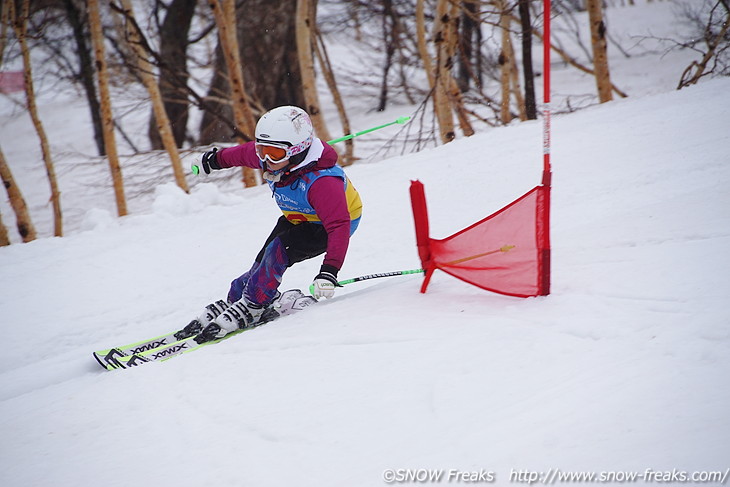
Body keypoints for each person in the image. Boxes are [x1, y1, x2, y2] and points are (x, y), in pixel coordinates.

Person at [192, 106, 362, 341]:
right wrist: (212, 161)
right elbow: (241, 154)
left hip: (329, 225)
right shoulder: (271, 159)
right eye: (263, 150)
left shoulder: (323, 182)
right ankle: (239, 299)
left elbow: (338, 226)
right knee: (263, 258)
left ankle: (254, 305)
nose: (266, 160)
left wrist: (329, 272)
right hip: (299, 216)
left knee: (279, 250)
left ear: (297, 151)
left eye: (275, 153)